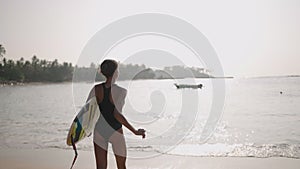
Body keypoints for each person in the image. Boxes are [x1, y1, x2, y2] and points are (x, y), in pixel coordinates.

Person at [86, 59, 146, 169]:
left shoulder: (96, 89)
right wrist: (135, 131)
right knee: (121, 167)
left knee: (100, 167)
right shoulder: (121, 91)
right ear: (115, 72)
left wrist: (86, 129)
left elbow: (87, 111)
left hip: (99, 130)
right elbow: (117, 114)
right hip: (115, 131)